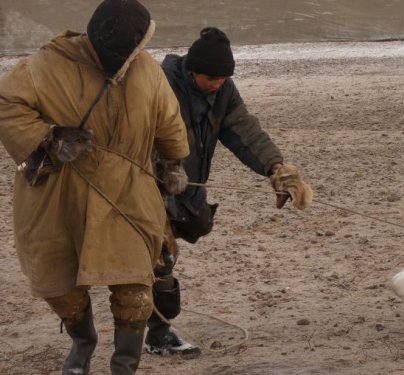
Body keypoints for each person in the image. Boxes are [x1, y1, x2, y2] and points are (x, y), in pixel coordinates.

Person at [0, 1, 190, 374]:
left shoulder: (148, 71)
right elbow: (6, 104)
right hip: (59, 195)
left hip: (129, 192)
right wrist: (48, 136)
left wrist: (172, 163)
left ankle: (124, 366)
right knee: (60, 287)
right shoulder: (42, 67)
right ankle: (83, 341)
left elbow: (169, 122)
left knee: (134, 288)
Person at [144, 26, 313, 356]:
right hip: (149, 187)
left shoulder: (223, 91)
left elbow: (244, 130)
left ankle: (150, 327)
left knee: (167, 253)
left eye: (223, 79)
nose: (218, 84)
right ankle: (157, 334)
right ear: (193, 71)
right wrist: (160, 171)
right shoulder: (159, 85)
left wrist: (277, 169)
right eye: (212, 79)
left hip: (187, 189)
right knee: (160, 257)